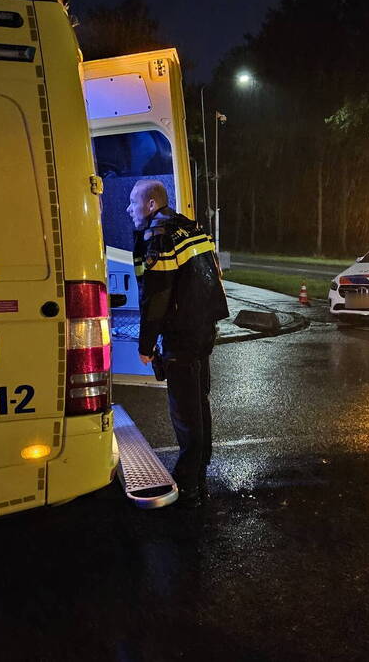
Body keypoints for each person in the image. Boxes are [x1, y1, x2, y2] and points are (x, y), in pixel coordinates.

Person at [127, 179, 229, 508]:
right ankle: (199, 471)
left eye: (133, 202)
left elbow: (156, 296)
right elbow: (212, 278)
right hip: (202, 331)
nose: (128, 209)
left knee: (185, 413)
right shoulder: (190, 227)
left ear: (152, 204)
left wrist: (146, 345)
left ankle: (187, 485)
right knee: (199, 405)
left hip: (182, 338)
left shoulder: (157, 234)